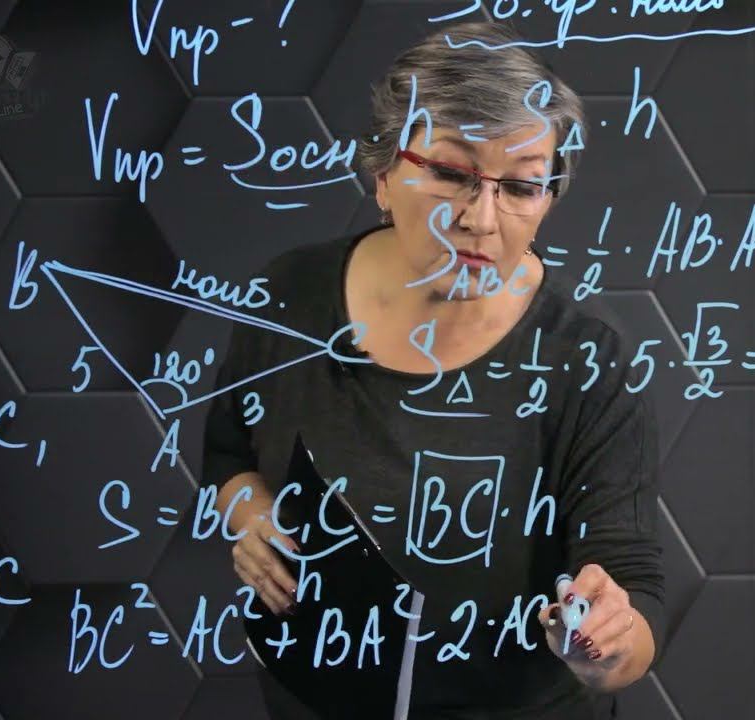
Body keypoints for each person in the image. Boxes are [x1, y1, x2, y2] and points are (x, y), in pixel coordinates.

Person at [202, 20, 666, 720]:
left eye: (522, 187)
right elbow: (226, 448)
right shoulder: (289, 293)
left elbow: (631, 586)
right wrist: (246, 509)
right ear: (384, 174)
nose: (482, 218)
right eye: (451, 174)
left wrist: (604, 646)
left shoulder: (587, 354)